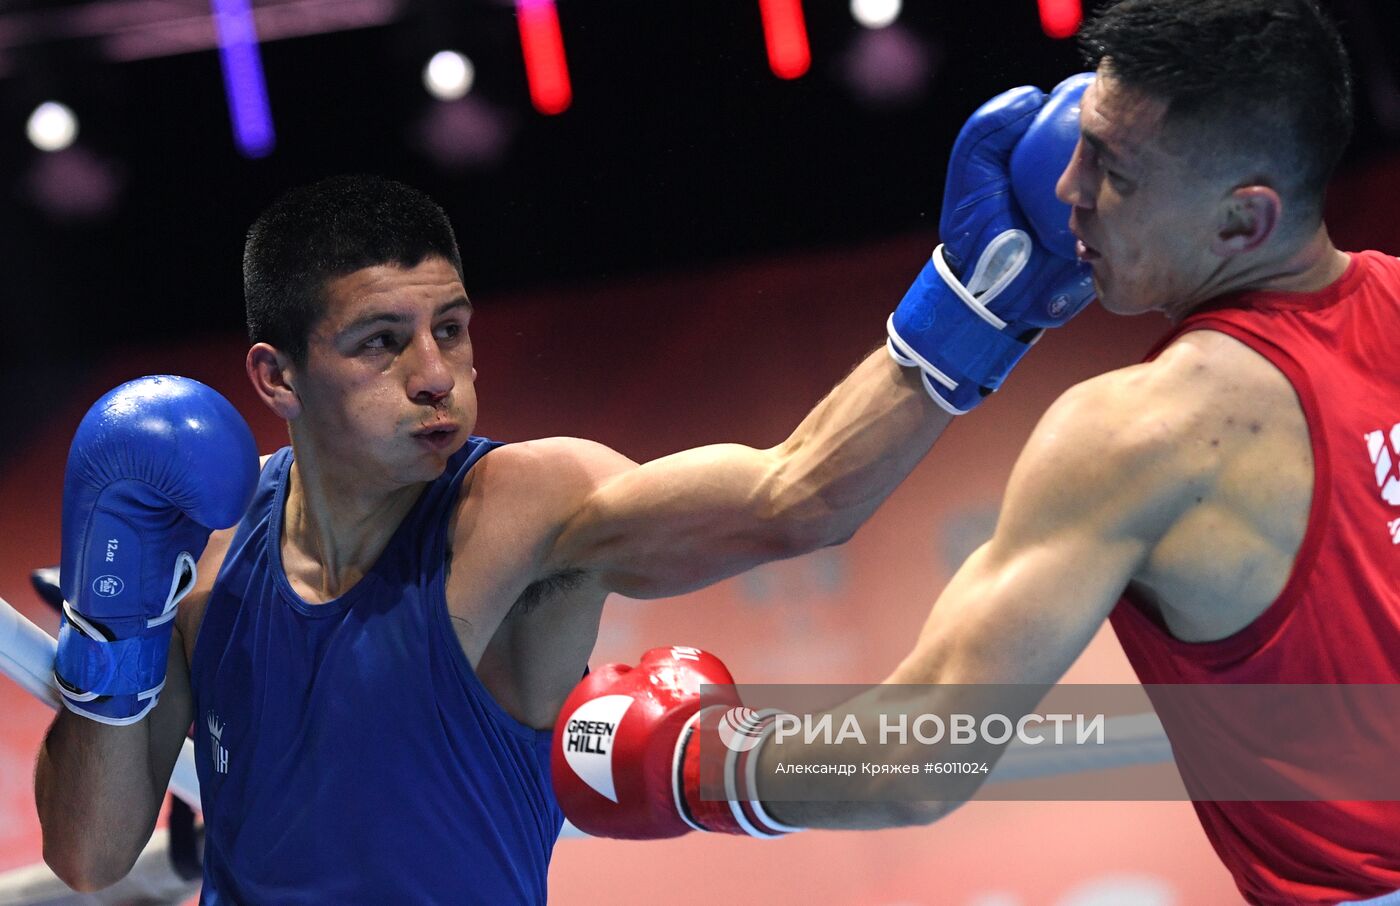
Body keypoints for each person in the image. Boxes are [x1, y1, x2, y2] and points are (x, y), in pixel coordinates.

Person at [32, 71, 1092, 901]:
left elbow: (794, 497)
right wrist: (109, 630)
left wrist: (968, 311)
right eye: (379, 344)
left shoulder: (523, 511)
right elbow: (88, 856)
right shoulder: (208, 548)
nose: (435, 373)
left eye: (450, 329)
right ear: (277, 377)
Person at [553, 2, 1400, 904]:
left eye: (1112, 168)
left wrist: (690, 761)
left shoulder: (1145, 433)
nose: (1067, 186)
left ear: (1243, 221)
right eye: (1082, 139)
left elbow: (918, 758)